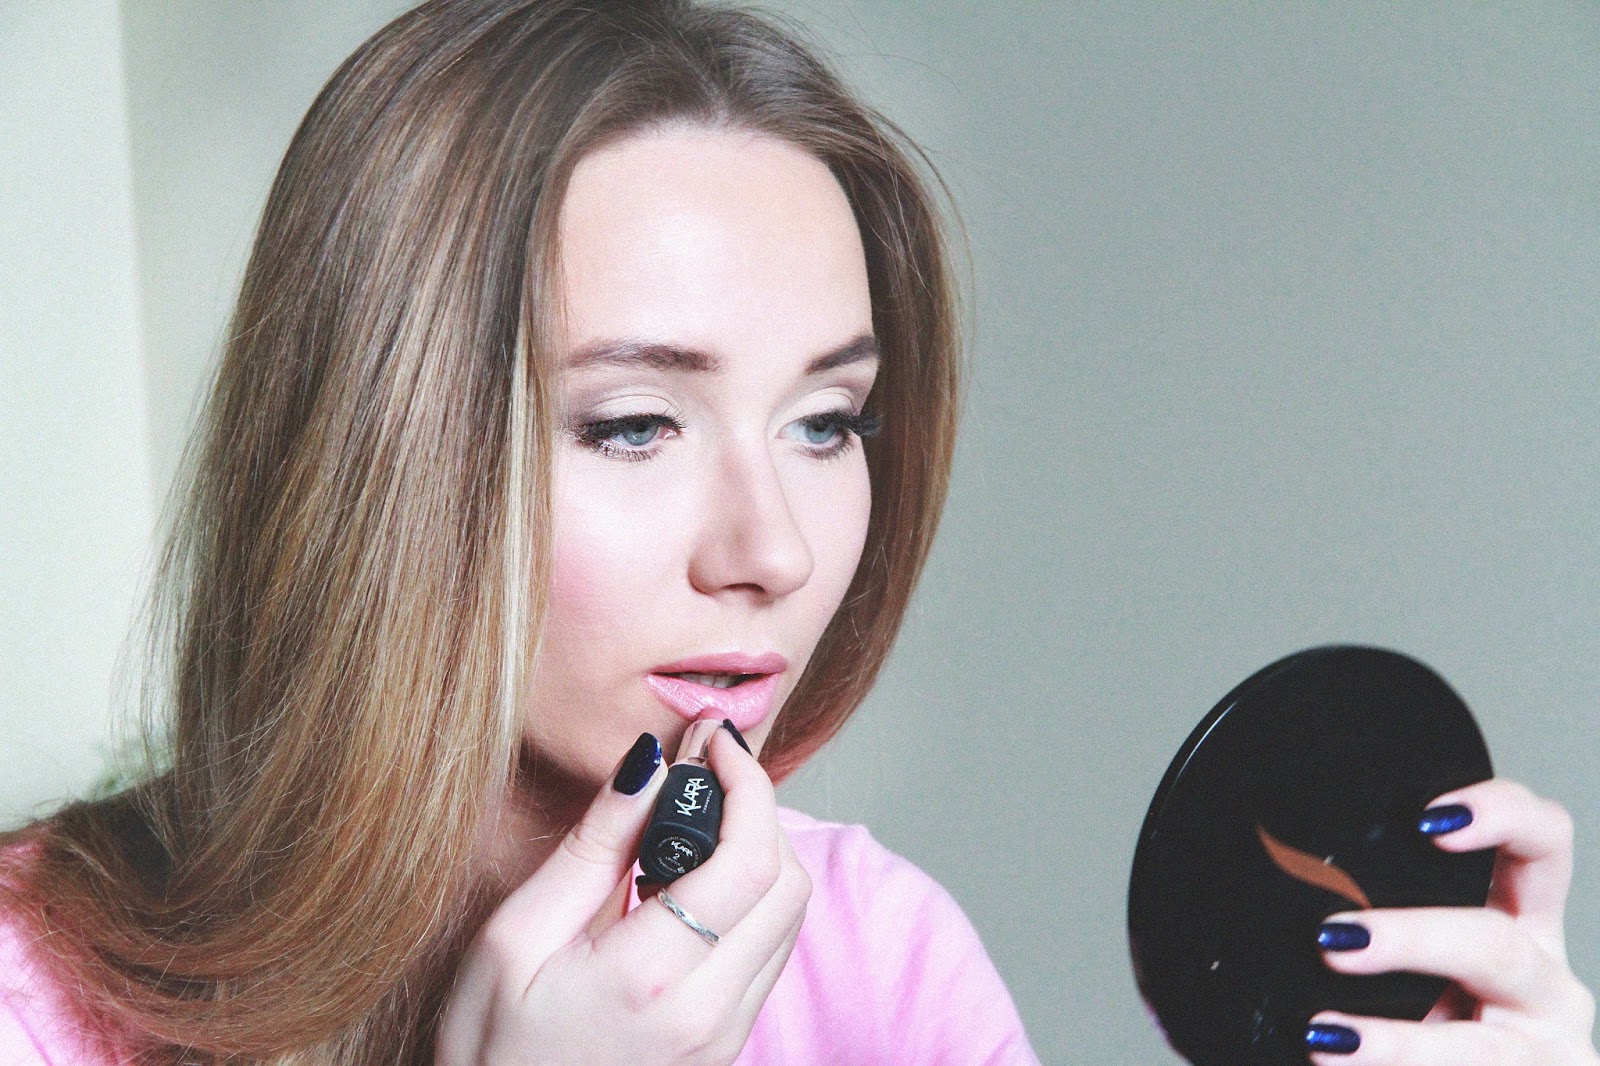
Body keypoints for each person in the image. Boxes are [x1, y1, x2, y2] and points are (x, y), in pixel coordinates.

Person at [0, 1, 1594, 1063]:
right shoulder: (39, 992)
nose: (772, 550)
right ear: (380, 456)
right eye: (635, 422)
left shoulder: (875, 957)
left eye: (826, 421)